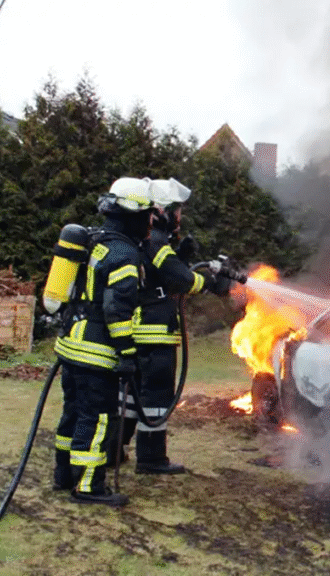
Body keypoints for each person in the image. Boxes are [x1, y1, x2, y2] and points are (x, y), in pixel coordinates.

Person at [51, 177, 156, 506]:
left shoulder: (96, 241)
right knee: (96, 418)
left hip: (72, 344)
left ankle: (63, 474)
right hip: (96, 352)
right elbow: (117, 309)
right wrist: (127, 354)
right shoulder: (124, 254)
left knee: (73, 412)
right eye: (148, 214)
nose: (151, 222)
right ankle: (88, 486)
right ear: (133, 214)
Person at [116, 177, 231, 474]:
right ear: (162, 211)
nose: (180, 217)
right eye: (177, 211)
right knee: (155, 397)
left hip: (140, 332)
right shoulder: (156, 241)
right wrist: (212, 282)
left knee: (131, 397)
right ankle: (152, 459)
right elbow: (178, 279)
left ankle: (114, 449)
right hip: (155, 335)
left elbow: (161, 272)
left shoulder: (147, 240)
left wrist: (182, 255)